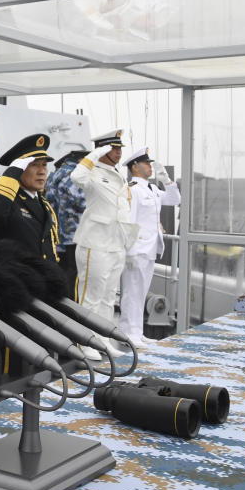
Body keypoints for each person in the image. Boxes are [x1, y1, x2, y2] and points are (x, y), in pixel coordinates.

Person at [70, 129, 139, 357]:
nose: (118, 153)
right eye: (114, 148)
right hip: (95, 242)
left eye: (120, 148)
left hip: (116, 243)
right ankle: (84, 342)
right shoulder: (92, 172)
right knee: (91, 296)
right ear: (103, 149)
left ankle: (103, 340)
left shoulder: (117, 174)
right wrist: (94, 154)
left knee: (109, 297)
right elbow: (75, 177)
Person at [119, 147, 181, 348]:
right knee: (132, 293)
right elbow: (129, 221)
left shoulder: (152, 189)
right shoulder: (133, 190)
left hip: (150, 249)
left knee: (141, 291)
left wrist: (167, 180)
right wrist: (129, 252)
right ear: (135, 167)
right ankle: (128, 333)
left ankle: (137, 332)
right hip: (137, 250)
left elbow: (175, 200)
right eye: (146, 163)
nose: (150, 166)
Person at [0, 133, 59, 263]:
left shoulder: (44, 204)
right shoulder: (7, 201)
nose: (42, 171)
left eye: (44, 165)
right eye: (34, 165)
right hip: (16, 278)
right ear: (20, 168)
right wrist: (13, 172)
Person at [45, 150, 89, 298]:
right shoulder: (71, 174)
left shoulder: (56, 174)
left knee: (65, 276)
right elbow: (82, 201)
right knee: (74, 280)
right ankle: (73, 313)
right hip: (73, 237)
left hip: (62, 237)